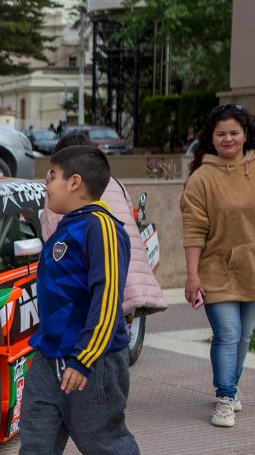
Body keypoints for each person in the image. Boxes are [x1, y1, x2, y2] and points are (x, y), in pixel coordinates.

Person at [0, 145, 158, 455]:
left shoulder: (103, 227)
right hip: (48, 357)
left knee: (100, 440)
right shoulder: (67, 225)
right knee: (38, 440)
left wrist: (84, 357)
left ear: (74, 182)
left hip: (90, 362)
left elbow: (107, 296)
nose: (46, 186)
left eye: (51, 177)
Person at [181, 104, 255, 427]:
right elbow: (193, 230)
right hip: (216, 270)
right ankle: (225, 397)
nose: (228, 138)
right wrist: (192, 277)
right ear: (212, 138)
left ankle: (231, 386)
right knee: (228, 334)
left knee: (244, 337)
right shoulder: (202, 178)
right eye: (221, 134)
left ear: (246, 134)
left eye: (234, 132)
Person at [41, 132, 167, 320]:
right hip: (133, 277)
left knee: (107, 326)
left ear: (73, 180)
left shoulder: (96, 223)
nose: (48, 184)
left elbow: (51, 240)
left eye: (54, 173)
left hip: (100, 287)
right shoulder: (115, 183)